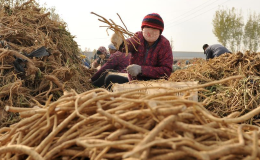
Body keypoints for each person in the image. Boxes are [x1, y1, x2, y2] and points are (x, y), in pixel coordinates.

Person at [110, 13, 173, 84]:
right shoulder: (138, 37)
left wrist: (141, 70)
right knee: (110, 79)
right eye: (148, 28)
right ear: (143, 29)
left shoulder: (164, 44)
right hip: (134, 82)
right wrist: (121, 43)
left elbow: (166, 71)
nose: (150, 32)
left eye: (154, 29)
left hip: (155, 84)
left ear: (160, 32)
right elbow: (129, 44)